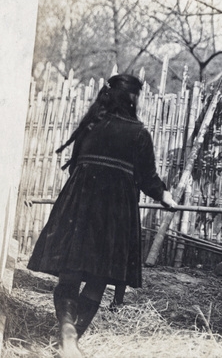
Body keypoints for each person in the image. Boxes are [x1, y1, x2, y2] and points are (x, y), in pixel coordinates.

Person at [27, 74, 178, 358]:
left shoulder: (90, 125)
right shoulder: (138, 133)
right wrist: (165, 196)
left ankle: (67, 332)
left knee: (70, 273)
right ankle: (71, 343)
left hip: (79, 204)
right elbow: (147, 178)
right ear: (132, 98)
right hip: (116, 210)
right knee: (99, 277)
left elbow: (75, 168)